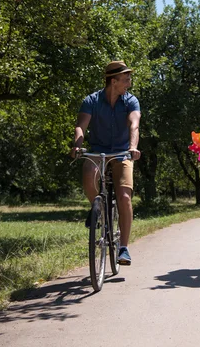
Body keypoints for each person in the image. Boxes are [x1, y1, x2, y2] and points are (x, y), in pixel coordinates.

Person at [70, 60, 141, 266]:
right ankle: (97, 209)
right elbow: (81, 126)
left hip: (122, 153)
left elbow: (134, 125)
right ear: (113, 80)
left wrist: (132, 147)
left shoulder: (131, 101)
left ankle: (124, 248)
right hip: (97, 151)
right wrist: (77, 145)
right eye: (125, 78)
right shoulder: (91, 100)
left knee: (124, 196)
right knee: (88, 172)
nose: (129, 82)